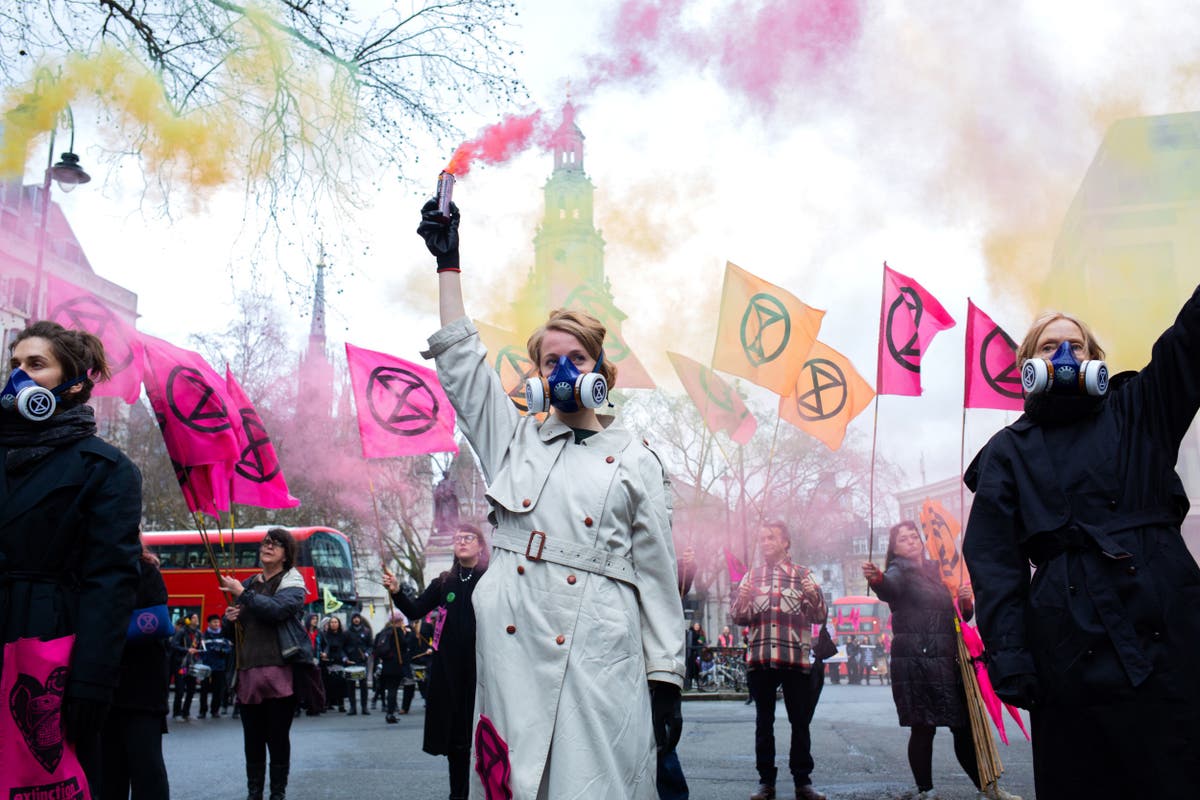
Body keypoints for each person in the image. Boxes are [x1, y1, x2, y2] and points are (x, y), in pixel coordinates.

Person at [416, 199, 687, 799]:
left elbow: (658, 574)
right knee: (517, 783)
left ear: (600, 372)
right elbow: (462, 368)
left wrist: (665, 674)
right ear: (537, 374)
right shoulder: (512, 440)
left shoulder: (638, 460)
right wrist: (449, 266)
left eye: (578, 359)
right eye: (549, 360)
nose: (563, 369)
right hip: (516, 648)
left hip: (601, 649)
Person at [963, 292, 1200, 799]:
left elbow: (1187, 345)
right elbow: (994, 563)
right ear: (1028, 366)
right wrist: (1011, 655)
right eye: (1050, 347)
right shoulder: (1008, 452)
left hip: (1169, 631)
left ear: (1095, 361)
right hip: (1069, 650)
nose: (1065, 357)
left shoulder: (1139, 409)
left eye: (1076, 345)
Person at [0, 321, 142, 795]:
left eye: (35, 364)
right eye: (15, 364)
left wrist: (91, 682)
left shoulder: (107, 470)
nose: (19, 375)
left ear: (73, 381)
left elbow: (111, 582)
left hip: (44, 649)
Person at [863, 522, 1020, 800]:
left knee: (965, 727)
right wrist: (877, 579)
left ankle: (987, 788)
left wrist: (965, 603)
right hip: (917, 662)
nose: (911, 541)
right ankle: (926, 790)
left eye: (915, 537)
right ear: (894, 547)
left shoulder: (939, 570)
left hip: (949, 661)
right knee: (923, 727)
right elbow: (889, 588)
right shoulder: (899, 570)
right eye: (904, 538)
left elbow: (961, 617)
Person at [382, 524, 487, 800]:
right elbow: (415, 609)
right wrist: (396, 591)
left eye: (468, 538)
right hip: (449, 669)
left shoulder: (490, 577)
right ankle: (458, 795)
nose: (461, 542)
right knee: (456, 741)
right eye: (457, 538)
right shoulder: (443, 581)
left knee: (480, 734)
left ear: (480, 545)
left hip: (481, 667)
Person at [730, 521, 828, 800]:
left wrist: (813, 595)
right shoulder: (752, 576)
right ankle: (766, 782)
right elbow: (738, 617)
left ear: (786, 542)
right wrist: (741, 600)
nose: (765, 542)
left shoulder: (802, 575)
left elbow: (819, 616)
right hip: (761, 659)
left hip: (795, 659)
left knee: (800, 722)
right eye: (761, 538)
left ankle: (803, 782)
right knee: (764, 722)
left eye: (771, 538)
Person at [219, 527, 307, 800]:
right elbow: (231, 632)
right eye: (265, 543)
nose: (267, 547)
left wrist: (242, 595)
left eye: (275, 544)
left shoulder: (293, 584)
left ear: (285, 555)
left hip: (279, 671)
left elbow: (277, 610)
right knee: (252, 739)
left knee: (277, 738)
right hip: (248, 671)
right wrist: (228, 619)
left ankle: (277, 793)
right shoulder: (247, 584)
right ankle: (254, 792)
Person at [99, 542, 170, 800]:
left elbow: (156, 623)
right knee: (108, 774)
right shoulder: (91, 569)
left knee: (146, 770)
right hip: (102, 687)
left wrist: (106, 629)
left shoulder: (146, 570)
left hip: (142, 690)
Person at [374, 611, 417, 724]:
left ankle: (390, 712)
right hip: (396, 664)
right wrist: (407, 634)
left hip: (387, 664)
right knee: (393, 689)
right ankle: (390, 713)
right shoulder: (397, 631)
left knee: (390, 689)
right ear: (399, 620)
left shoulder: (385, 631)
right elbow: (405, 644)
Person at [199, 613, 232, 719]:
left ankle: (215, 711)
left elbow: (228, 649)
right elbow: (199, 651)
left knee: (218, 690)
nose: (217, 624)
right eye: (214, 622)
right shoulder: (203, 636)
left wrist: (222, 650)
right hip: (206, 667)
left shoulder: (223, 635)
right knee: (204, 690)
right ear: (209, 623)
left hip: (219, 666)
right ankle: (202, 711)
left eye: (218, 622)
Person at [170, 614, 201, 720]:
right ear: (188, 620)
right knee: (180, 689)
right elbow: (174, 644)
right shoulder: (182, 631)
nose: (196, 619)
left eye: (197, 617)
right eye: (194, 618)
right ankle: (177, 713)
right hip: (182, 665)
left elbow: (200, 646)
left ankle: (186, 712)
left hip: (192, 665)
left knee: (192, 689)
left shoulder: (198, 633)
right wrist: (186, 650)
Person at [345, 612, 373, 716]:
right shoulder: (347, 632)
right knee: (350, 685)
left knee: (363, 685)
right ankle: (353, 707)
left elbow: (371, 646)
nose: (356, 620)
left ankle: (364, 707)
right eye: (354, 618)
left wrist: (366, 654)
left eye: (358, 618)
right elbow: (342, 647)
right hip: (351, 661)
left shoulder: (366, 631)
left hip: (362, 661)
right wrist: (345, 657)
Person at [320, 616, 349, 712]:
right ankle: (327, 703)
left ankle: (341, 704)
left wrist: (345, 658)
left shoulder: (343, 635)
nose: (333, 624)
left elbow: (345, 648)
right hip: (328, 661)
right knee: (328, 684)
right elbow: (324, 647)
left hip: (340, 661)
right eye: (331, 622)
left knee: (340, 683)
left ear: (339, 623)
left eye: (335, 622)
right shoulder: (325, 635)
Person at [685, 621, 707, 690]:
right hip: (691, 654)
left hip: (698, 654)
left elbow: (702, 641)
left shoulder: (702, 633)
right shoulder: (690, 632)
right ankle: (690, 684)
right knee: (690, 669)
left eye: (698, 625)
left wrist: (701, 640)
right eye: (695, 625)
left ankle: (699, 685)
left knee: (698, 669)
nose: (697, 627)